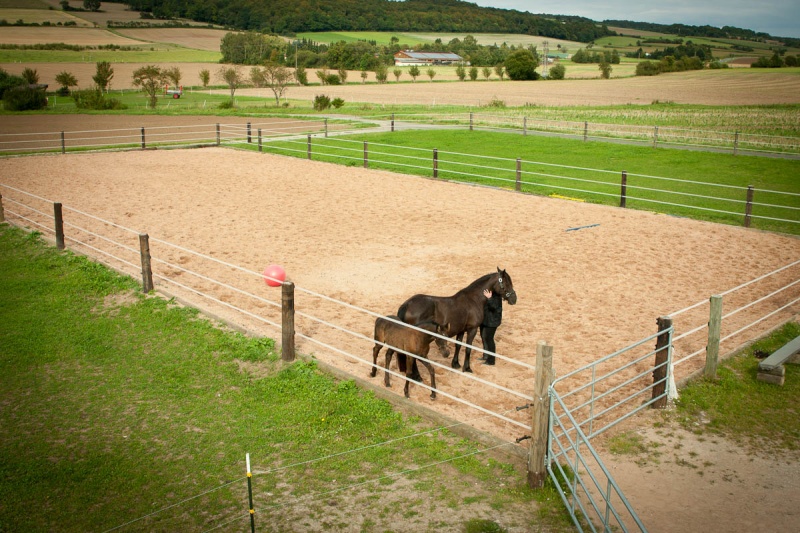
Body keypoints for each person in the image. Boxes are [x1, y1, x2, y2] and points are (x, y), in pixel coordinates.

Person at [480, 288, 502, 365]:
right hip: (485, 320)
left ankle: (491, 360)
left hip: (492, 321)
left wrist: (489, 298)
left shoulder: (497, 295)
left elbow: (494, 307)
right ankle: (486, 356)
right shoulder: (487, 291)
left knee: (489, 339)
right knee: (484, 337)